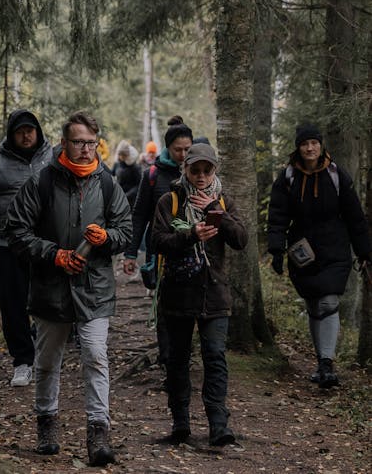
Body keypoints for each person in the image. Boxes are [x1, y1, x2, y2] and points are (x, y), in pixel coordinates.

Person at [5, 110, 132, 466]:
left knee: (95, 355)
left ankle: (99, 432)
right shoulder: (42, 182)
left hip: (94, 288)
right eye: (78, 142)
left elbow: (126, 229)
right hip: (50, 287)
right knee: (47, 361)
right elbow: (16, 231)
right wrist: (54, 255)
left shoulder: (107, 183)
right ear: (64, 143)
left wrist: (107, 238)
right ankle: (47, 426)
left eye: (91, 142)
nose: (85, 149)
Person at [151, 142, 248, 446]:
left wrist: (215, 211)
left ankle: (218, 425)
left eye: (207, 170)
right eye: (196, 170)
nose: (202, 176)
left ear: (214, 170)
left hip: (215, 295)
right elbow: (157, 241)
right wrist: (190, 235)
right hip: (178, 296)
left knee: (215, 357)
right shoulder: (170, 201)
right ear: (186, 169)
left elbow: (241, 240)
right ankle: (180, 424)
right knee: (178, 359)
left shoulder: (223, 201)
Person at [268, 123, 371, 388]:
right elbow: (278, 216)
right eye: (305, 144)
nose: (310, 148)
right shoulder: (288, 177)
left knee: (327, 302)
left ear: (321, 145)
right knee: (314, 303)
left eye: (314, 143)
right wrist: (276, 249)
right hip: (303, 250)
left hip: (335, 247)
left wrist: (364, 252)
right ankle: (321, 362)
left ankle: (327, 363)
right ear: (298, 147)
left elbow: (355, 217)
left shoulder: (337, 175)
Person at [0, 109, 52, 386]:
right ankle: (22, 361)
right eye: (20, 131)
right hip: (8, 246)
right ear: (11, 134)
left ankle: (47, 355)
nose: (26, 135)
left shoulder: (52, 159)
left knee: (49, 301)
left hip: (45, 245)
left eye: (30, 129)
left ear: (37, 132)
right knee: (13, 306)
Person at [123, 115, 193, 370]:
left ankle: (184, 352)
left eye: (188, 149)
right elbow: (140, 214)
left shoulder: (199, 171)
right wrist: (131, 254)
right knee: (164, 302)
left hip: (193, 249)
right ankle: (167, 357)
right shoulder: (152, 174)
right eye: (178, 150)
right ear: (168, 148)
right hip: (161, 251)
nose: (183, 154)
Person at [111, 140, 142, 208]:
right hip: (118, 198)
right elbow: (110, 174)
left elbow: (139, 185)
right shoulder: (117, 164)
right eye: (118, 154)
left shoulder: (135, 167)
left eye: (121, 155)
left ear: (125, 155)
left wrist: (127, 195)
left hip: (131, 201)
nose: (119, 156)